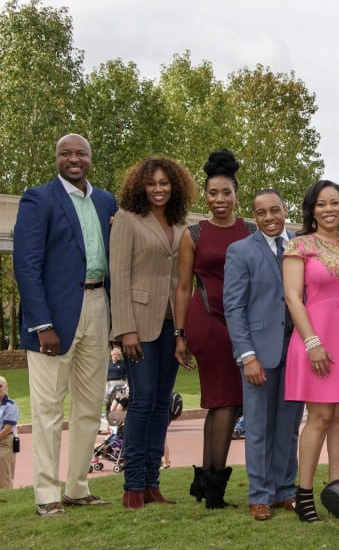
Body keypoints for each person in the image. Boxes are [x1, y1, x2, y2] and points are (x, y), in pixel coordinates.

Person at [13, 134, 118, 516]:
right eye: (65, 153)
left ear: (90, 159)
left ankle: (77, 486)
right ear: (56, 158)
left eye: (81, 154)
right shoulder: (38, 199)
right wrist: (42, 323)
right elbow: (25, 265)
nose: (73, 159)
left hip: (98, 307)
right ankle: (46, 494)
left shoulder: (107, 201)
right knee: (47, 409)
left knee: (90, 406)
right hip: (53, 318)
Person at [283, 180, 339, 522]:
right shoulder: (300, 246)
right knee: (320, 417)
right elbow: (293, 297)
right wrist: (311, 343)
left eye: (334, 203)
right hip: (316, 339)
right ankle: (303, 495)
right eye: (321, 204)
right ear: (311, 209)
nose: (328, 210)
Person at [110, 156, 195, 509]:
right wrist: (125, 329)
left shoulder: (180, 224)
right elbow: (118, 276)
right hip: (138, 324)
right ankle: (132, 486)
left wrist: (181, 332)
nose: (158, 189)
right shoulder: (127, 220)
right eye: (152, 183)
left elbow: (181, 282)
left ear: (174, 186)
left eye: (164, 183)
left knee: (163, 403)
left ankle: (152, 483)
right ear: (140, 186)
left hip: (168, 324)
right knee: (143, 400)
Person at [174, 150, 253, 509]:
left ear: (237, 195)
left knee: (221, 405)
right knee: (227, 402)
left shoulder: (250, 230)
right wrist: (179, 334)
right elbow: (182, 287)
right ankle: (215, 493)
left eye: (226, 193)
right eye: (212, 193)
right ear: (204, 196)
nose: (219, 200)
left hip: (242, 323)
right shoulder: (193, 233)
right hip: (207, 322)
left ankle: (206, 483)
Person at [223, 188, 305, 521]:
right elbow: (234, 307)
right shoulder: (240, 251)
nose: (269, 217)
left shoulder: (302, 246)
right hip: (259, 351)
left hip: (297, 350)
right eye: (261, 213)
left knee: (289, 426)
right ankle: (259, 495)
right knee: (257, 427)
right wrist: (247, 356)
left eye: (275, 210)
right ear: (252, 216)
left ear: (285, 209)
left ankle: (285, 490)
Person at [0, 376, 19, 489]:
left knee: (4, 479)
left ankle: (5, 503)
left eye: (0, 386)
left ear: (5, 387)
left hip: (4, 444)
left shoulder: (10, 406)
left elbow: (6, 430)